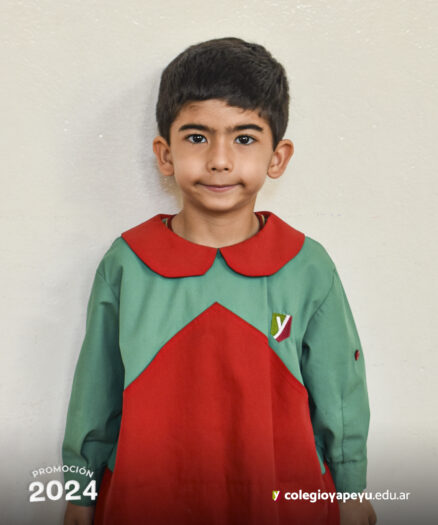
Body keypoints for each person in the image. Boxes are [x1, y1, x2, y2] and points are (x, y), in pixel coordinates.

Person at [62, 37, 377, 525]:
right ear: (165, 154)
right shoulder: (127, 263)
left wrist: (352, 491)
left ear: (278, 157)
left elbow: (340, 390)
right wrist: (78, 493)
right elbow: (95, 392)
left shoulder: (307, 266)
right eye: (197, 137)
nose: (220, 160)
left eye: (244, 138)